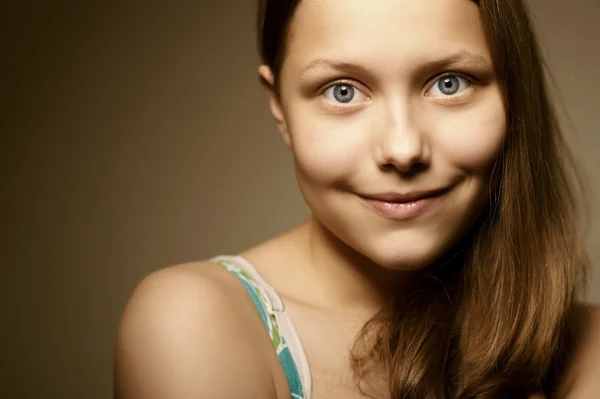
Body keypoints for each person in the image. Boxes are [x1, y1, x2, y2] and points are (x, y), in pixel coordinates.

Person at [114, 0, 600, 398]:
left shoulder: (588, 350)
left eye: (449, 83)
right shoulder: (195, 325)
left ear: (515, 93)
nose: (403, 149)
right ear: (279, 107)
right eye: (343, 91)